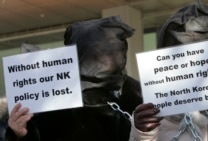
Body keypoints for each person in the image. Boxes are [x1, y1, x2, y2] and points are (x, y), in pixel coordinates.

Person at [4, 16, 142, 141]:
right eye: (96, 54)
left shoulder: (137, 94)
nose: (103, 62)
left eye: (109, 51)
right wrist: (20, 134)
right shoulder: (52, 95)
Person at [129, 0, 208, 141]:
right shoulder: (155, 105)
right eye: (180, 53)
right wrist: (143, 132)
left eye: (201, 53)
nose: (190, 64)